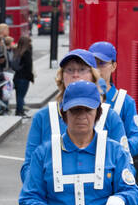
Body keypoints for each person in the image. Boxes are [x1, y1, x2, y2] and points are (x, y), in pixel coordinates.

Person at [20, 80, 138, 205]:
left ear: (97, 113)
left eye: (88, 110)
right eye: (75, 110)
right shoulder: (43, 154)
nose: (82, 115)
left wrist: (123, 201)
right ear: (64, 114)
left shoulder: (115, 151)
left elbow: (134, 192)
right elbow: (28, 198)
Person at [21, 48, 127, 182]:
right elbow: (28, 168)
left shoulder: (110, 117)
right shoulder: (43, 117)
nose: (75, 75)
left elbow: (126, 166)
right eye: (69, 70)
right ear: (62, 75)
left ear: (93, 76)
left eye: (82, 69)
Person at [89, 41, 138, 157]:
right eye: (93, 64)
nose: (97, 69)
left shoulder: (125, 101)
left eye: (102, 63)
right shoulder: (77, 97)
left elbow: (137, 138)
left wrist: (117, 148)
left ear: (114, 66)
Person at [10, 35, 34, 116]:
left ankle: (19, 110)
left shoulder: (17, 51)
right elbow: (29, 66)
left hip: (17, 77)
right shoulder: (26, 52)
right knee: (21, 96)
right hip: (24, 78)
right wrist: (31, 77)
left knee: (18, 95)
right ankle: (20, 111)